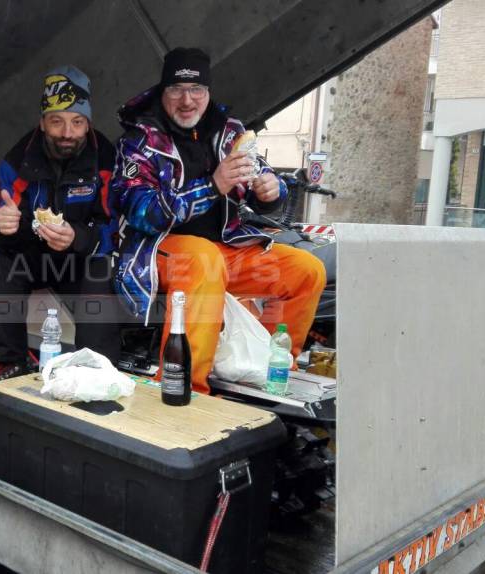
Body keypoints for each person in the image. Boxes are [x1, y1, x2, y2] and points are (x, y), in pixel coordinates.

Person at [112, 47, 326, 394]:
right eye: (176, 90)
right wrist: (212, 186)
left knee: (306, 270)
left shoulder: (230, 132)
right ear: (162, 92)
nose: (187, 100)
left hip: (227, 248)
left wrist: (270, 190)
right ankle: (185, 387)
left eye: (196, 90)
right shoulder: (138, 141)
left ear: (208, 93)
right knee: (203, 261)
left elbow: (258, 174)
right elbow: (142, 213)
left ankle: (262, 367)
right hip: (158, 251)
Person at [0, 65, 121, 384]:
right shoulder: (17, 161)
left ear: (88, 123)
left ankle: (96, 372)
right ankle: (6, 363)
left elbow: (115, 224)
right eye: (57, 121)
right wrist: (5, 227)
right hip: (31, 255)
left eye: (77, 122)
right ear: (43, 122)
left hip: (80, 257)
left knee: (100, 272)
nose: (67, 133)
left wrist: (78, 238)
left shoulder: (106, 159)